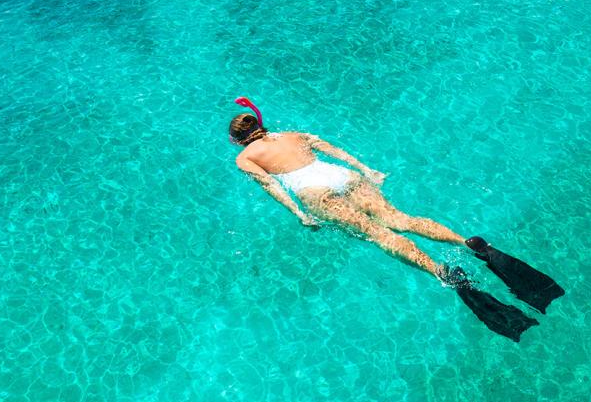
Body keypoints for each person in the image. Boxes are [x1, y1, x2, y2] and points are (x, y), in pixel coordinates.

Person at [229, 98, 563, 341]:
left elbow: (270, 184)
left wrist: (300, 214)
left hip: (314, 192)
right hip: (340, 176)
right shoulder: (292, 135)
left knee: (378, 234)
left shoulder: (244, 158)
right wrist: (365, 169)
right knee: (398, 218)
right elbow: (330, 149)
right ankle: (471, 245)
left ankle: (442, 271)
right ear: (260, 125)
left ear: (237, 140)